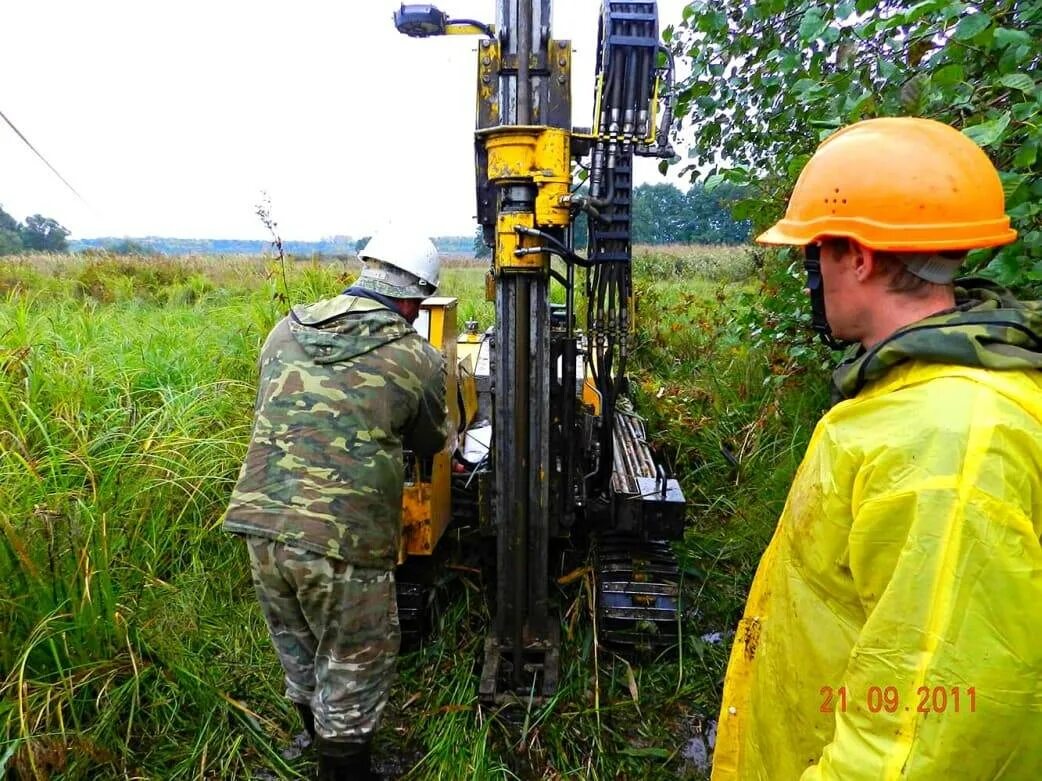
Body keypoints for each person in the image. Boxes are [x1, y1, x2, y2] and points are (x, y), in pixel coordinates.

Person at [711, 117, 1042, 779]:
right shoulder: (913, 397)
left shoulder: (951, 440)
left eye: (816, 254)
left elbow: (920, 737)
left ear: (858, 256)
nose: (811, 274)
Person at [223, 229, 450, 780]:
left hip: (262, 523)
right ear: (411, 299)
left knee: (300, 649)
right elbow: (430, 441)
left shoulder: (285, 330)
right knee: (355, 664)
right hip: (343, 540)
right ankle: (344, 771)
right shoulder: (414, 357)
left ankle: (313, 743)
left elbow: (271, 410)